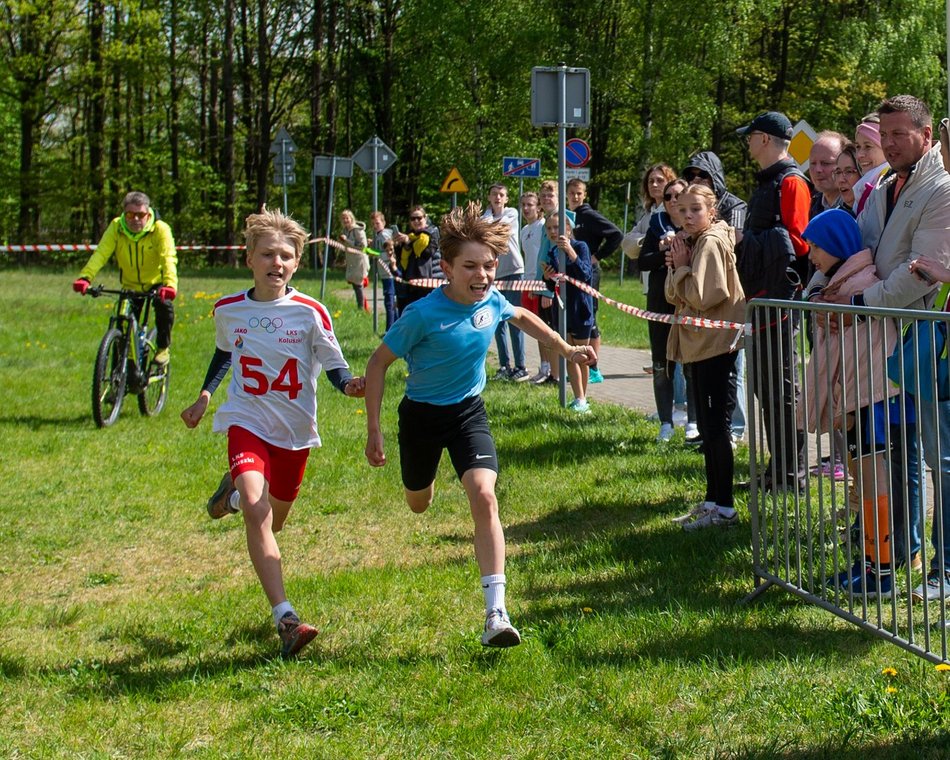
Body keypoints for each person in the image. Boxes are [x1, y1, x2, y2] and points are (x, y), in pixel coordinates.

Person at [363, 201, 596, 647]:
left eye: (489, 265)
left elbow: (523, 316)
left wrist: (565, 350)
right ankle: (423, 484)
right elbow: (378, 364)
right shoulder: (421, 315)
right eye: (470, 266)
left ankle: (496, 613)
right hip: (421, 417)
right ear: (446, 268)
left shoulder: (491, 300)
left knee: (485, 495)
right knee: (418, 502)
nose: (483, 275)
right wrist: (374, 429)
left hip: (468, 412)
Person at [180, 207, 366, 659]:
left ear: (297, 262)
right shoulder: (228, 309)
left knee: (273, 519)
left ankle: (232, 496)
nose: (275, 264)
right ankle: (286, 618)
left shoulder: (310, 312)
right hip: (247, 420)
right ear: (249, 258)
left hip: (295, 432)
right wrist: (206, 395)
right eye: (267, 254)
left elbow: (334, 365)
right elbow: (225, 352)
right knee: (259, 513)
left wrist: (350, 385)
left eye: (285, 256)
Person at [831, 95, 950, 602]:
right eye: (888, 132)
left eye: (902, 133)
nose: (892, 141)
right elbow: (870, 252)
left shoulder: (939, 188)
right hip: (884, 340)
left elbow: (919, 270)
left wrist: (858, 298)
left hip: (923, 339)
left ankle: (945, 567)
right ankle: (895, 553)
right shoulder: (882, 185)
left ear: (926, 136)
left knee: (939, 457)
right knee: (895, 454)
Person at [796, 209, 898, 595]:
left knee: (873, 479)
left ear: (838, 245)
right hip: (856, 402)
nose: (812, 254)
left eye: (818, 246)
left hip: (869, 402)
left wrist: (848, 408)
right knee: (863, 479)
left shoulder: (859, 290)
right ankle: (870, 562)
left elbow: (863, 358)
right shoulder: (837, 285)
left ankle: (880, 571)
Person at [735, 111, 812, 491]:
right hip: (762, 296)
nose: (746, 143)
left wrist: (748, 243)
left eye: (750, 136)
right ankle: (778, 466)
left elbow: (800, 242)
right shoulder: (768, 182)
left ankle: (792, 472)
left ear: (764, 139)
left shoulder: (792, 182)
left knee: (781, 385)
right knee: (765, 385)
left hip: (782, 298)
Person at [664, 184, 746, 530]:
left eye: (695, 209)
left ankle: (725, 508)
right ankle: (713, 500)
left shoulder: (711, 242)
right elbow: (673, 295)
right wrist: (678, 267)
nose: (687, 216)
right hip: (698, 346)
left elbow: (703, 295)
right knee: (707, 430)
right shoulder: (694, 243)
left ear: (712, 212)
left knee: (716, 428)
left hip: (715, 346)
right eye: (682, 210)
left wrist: (682, 268)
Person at [682, 151, 748, 445]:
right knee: (698, 374)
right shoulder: (689, 213)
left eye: (703, 176)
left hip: (728, 301)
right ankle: (703, 427)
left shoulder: (734, 206)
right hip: (698, 311)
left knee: (731, 370)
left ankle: (733, 429)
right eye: (691, 176)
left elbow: (735, 241)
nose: (696, 181)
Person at [72, 191, 177, 365]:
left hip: (156, 283)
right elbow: (101, 253)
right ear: (124, 214)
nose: (135, 219)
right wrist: (85, 277)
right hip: (130, 285)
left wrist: (170, 285)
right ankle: (118, 374)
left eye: (140, 215)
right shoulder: (116, 227)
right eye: (130, 214)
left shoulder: (160, 229)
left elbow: (168, 258)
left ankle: (162, 348)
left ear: (148, 214)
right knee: (121, 326)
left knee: (164, 307)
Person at [636, 178, 693, 442]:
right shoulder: (657, 227)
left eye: (677, 195)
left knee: (692, 362)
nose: (672, 200)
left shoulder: (695, 223)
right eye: (668, 196)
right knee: (662, 364)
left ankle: (694, 421)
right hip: (660, 304)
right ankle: (666, 423)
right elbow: (643, 262)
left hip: (690, 302)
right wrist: (664, 255)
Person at [566, 177, 623, 384]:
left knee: (589, 316)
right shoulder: (569, 216)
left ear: (584, 195)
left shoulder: (588, 215)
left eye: (579, 193)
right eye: (571, 193)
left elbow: (616, 234)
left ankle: (593, 369)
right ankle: (577, 365)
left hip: (589, 273)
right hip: (572, 273)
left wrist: (596, 256)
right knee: (574, 317)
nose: (575, 196)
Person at [541, 211, 595, 412]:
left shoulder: (580, 247)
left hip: (580, 308)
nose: (553, 232)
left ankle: (584, 397)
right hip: (561, 308)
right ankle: (578, 397)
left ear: (568, 229)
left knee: (582, 353)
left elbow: (585, 274)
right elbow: (554, 281)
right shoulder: (553, 252)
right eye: (549, 228)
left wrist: (571, 253)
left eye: (557, 227)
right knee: (568, 352)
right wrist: (548, 277)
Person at [483, 183, 529, 381]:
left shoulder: (512, 213)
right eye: (494, 194)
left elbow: (499, 231)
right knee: (498, 320)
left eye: (501, 195)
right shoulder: (484, 217)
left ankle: (521, 366)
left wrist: (488, 227)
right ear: (489, 197)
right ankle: (504, 365)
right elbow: (485, 232)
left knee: (514, 319)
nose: (498, 198)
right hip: (494, 272)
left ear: (507, 198)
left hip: (514, 271)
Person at [623, 163, 677, 286]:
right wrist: (649, 242)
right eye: (650, 181)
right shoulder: (648, 214)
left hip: (669, 279)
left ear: (670, 183)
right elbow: (627, 244)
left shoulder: (674, 212)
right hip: (650, 279)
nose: (654, 184)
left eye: (660, 180)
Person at [519, 191, 552, 383]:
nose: (526, 209)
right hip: (527, 281)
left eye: (530, 205)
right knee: (535, 327)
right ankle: (544, 366)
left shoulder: (542, 227)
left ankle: (551, 368)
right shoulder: (525, 230)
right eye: (523, 205)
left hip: (541, 283)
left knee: (545, 326)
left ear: (538, 207)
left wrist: (542, 285)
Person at [393, 205, 442, 313]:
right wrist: (400, 245)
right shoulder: (410, 235)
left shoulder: (433, 232)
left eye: (419, 218)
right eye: (413, 218)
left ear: (425, 218)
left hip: (430, 282)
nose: (416, 221)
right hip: (412, 283)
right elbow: (402, 259)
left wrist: (409, 243)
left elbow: (426, 253)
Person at [853, 113, 889, 216]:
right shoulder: (867, 183)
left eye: (868, 146)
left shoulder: (888, 185)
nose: (859, 155)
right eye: (858, 147)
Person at [369, 211, 397, 330]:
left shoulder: (385, 236)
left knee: (390, 302)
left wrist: (371, 252)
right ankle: (393, 327)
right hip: (384, 272)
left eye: (377, 223)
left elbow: (387, 253)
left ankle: (390, 329)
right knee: (389, 301)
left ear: (383, 223)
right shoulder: (379, 236)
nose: (375, 226)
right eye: (373, 224)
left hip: (388, 272)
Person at [339, 209, 369, 311]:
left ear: (351, 218)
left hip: (359, 260)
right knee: (355, 284)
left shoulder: (357, 230)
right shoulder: (345, 231)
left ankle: (361, 308)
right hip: (351, 261)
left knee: (358, 284)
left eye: (347, 218)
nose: (345, 220)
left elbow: (362, 245)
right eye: (343, 218)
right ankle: (361, 307)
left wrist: (346, 240)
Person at [833, 144, 861, 214]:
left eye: (849, 171)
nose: (841, 180)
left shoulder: (873, 212)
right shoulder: (836, 217)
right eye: (838, 172)